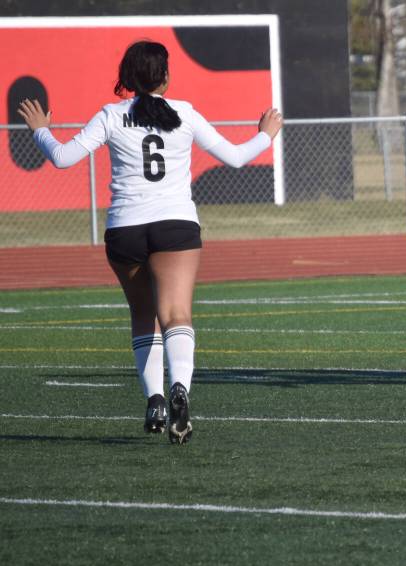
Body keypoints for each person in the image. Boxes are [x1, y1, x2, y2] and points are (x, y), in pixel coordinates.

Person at [17, 40, 283, 444]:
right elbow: (237, 157)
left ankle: (155, 399)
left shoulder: (111, 114)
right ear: (166, 75)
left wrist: (40, 132)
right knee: (176, 314)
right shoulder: (185, 113)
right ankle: (180, 390)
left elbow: (63, 158)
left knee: (144, 315)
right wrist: (264, 136)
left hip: (125, 228)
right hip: (175, 225)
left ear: (128, 76)